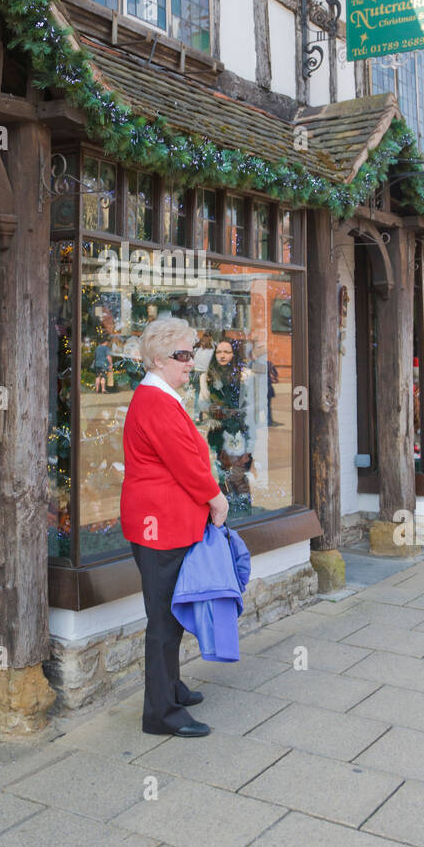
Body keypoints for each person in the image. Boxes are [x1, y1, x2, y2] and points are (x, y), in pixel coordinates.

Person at [120, 316, 228, 738]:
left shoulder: (162, 396)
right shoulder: (155, 401)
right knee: (163, 621)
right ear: (159, 358)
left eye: (193, 354)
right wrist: (216, 499)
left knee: (171, 615)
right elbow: (186, 462)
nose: (191, 363)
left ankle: (172, 688)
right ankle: (161, 713)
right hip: (158, 527)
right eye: (184, 355)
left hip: (167, 524)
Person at [206, 338, 254, 510]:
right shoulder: (209, 375)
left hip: (239, 429)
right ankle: (226, 505)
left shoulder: (245, 375)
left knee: (239, 470)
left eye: (226, 352)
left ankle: (243, 504)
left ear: (233, 355)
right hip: (218, 430)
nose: (222, 355)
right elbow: (203, 403)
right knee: (221, 470)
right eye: (219, 352)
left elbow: (252, 405)